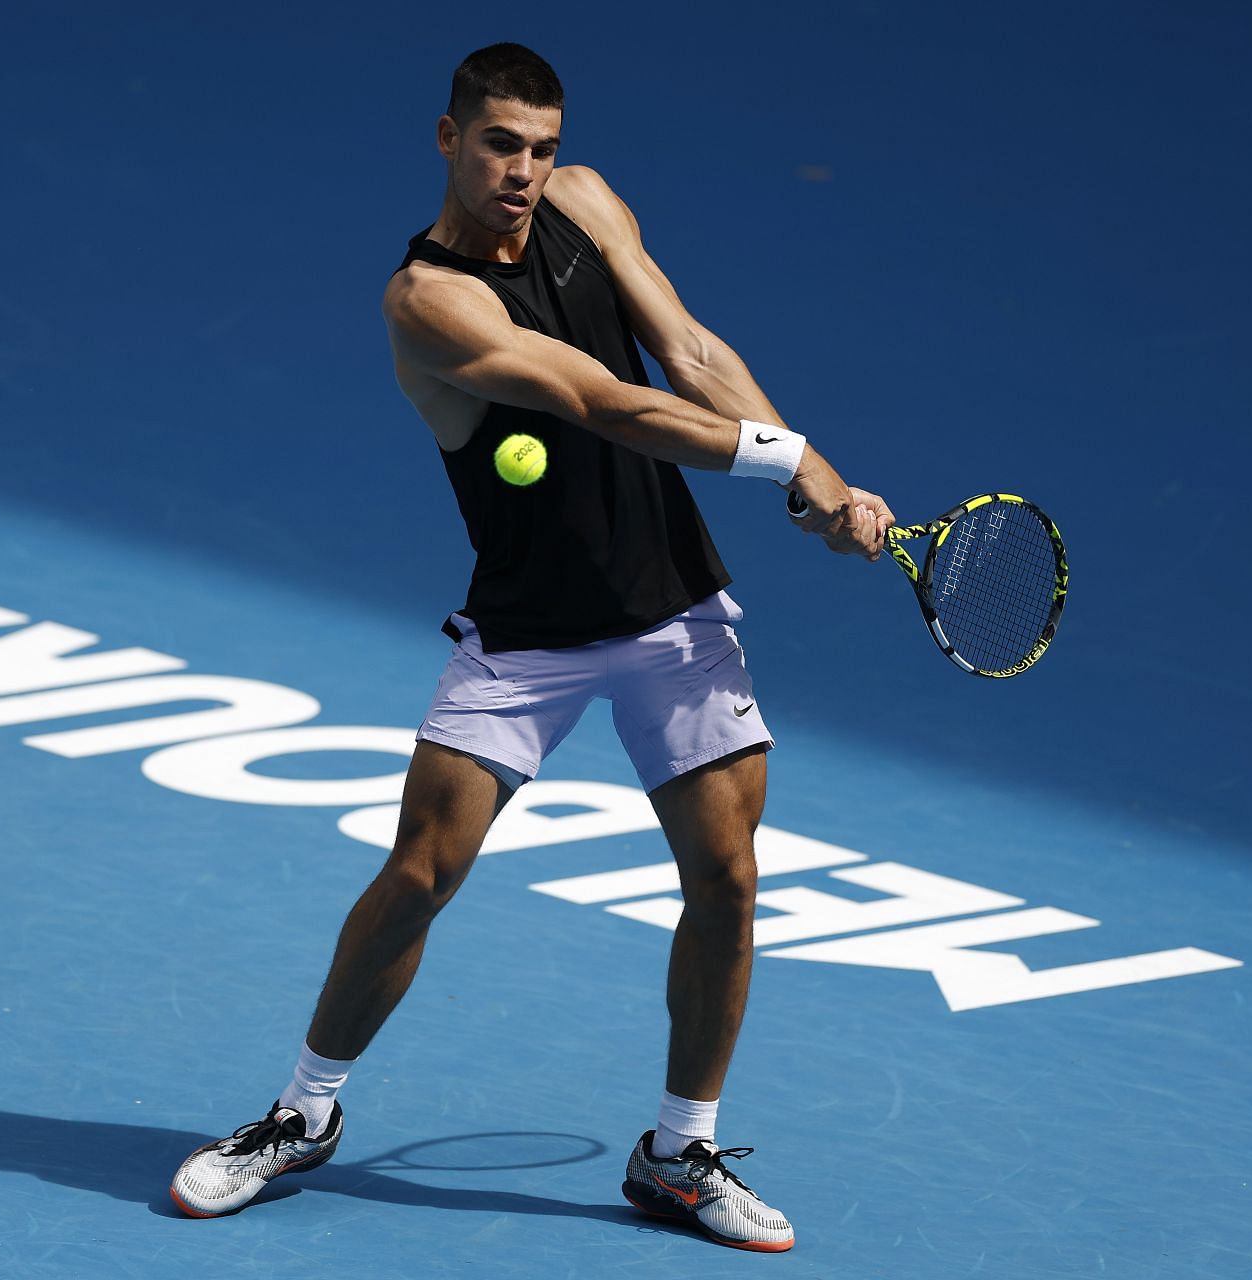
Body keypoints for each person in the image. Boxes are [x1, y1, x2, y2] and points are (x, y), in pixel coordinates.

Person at [170, 42, 894, 1251]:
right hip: (526, 633)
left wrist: (803, 471)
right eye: (500, 143)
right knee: (420, 874)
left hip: (672, 608)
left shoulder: (588, 201)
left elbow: (691, 354)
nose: (524, 169)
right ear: (447, 138)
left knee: (727, 877)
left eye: (542, 146)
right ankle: (300, 1114)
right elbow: (600, 399)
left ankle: (678, 1150)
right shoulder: (430, 300)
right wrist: (791, 462)